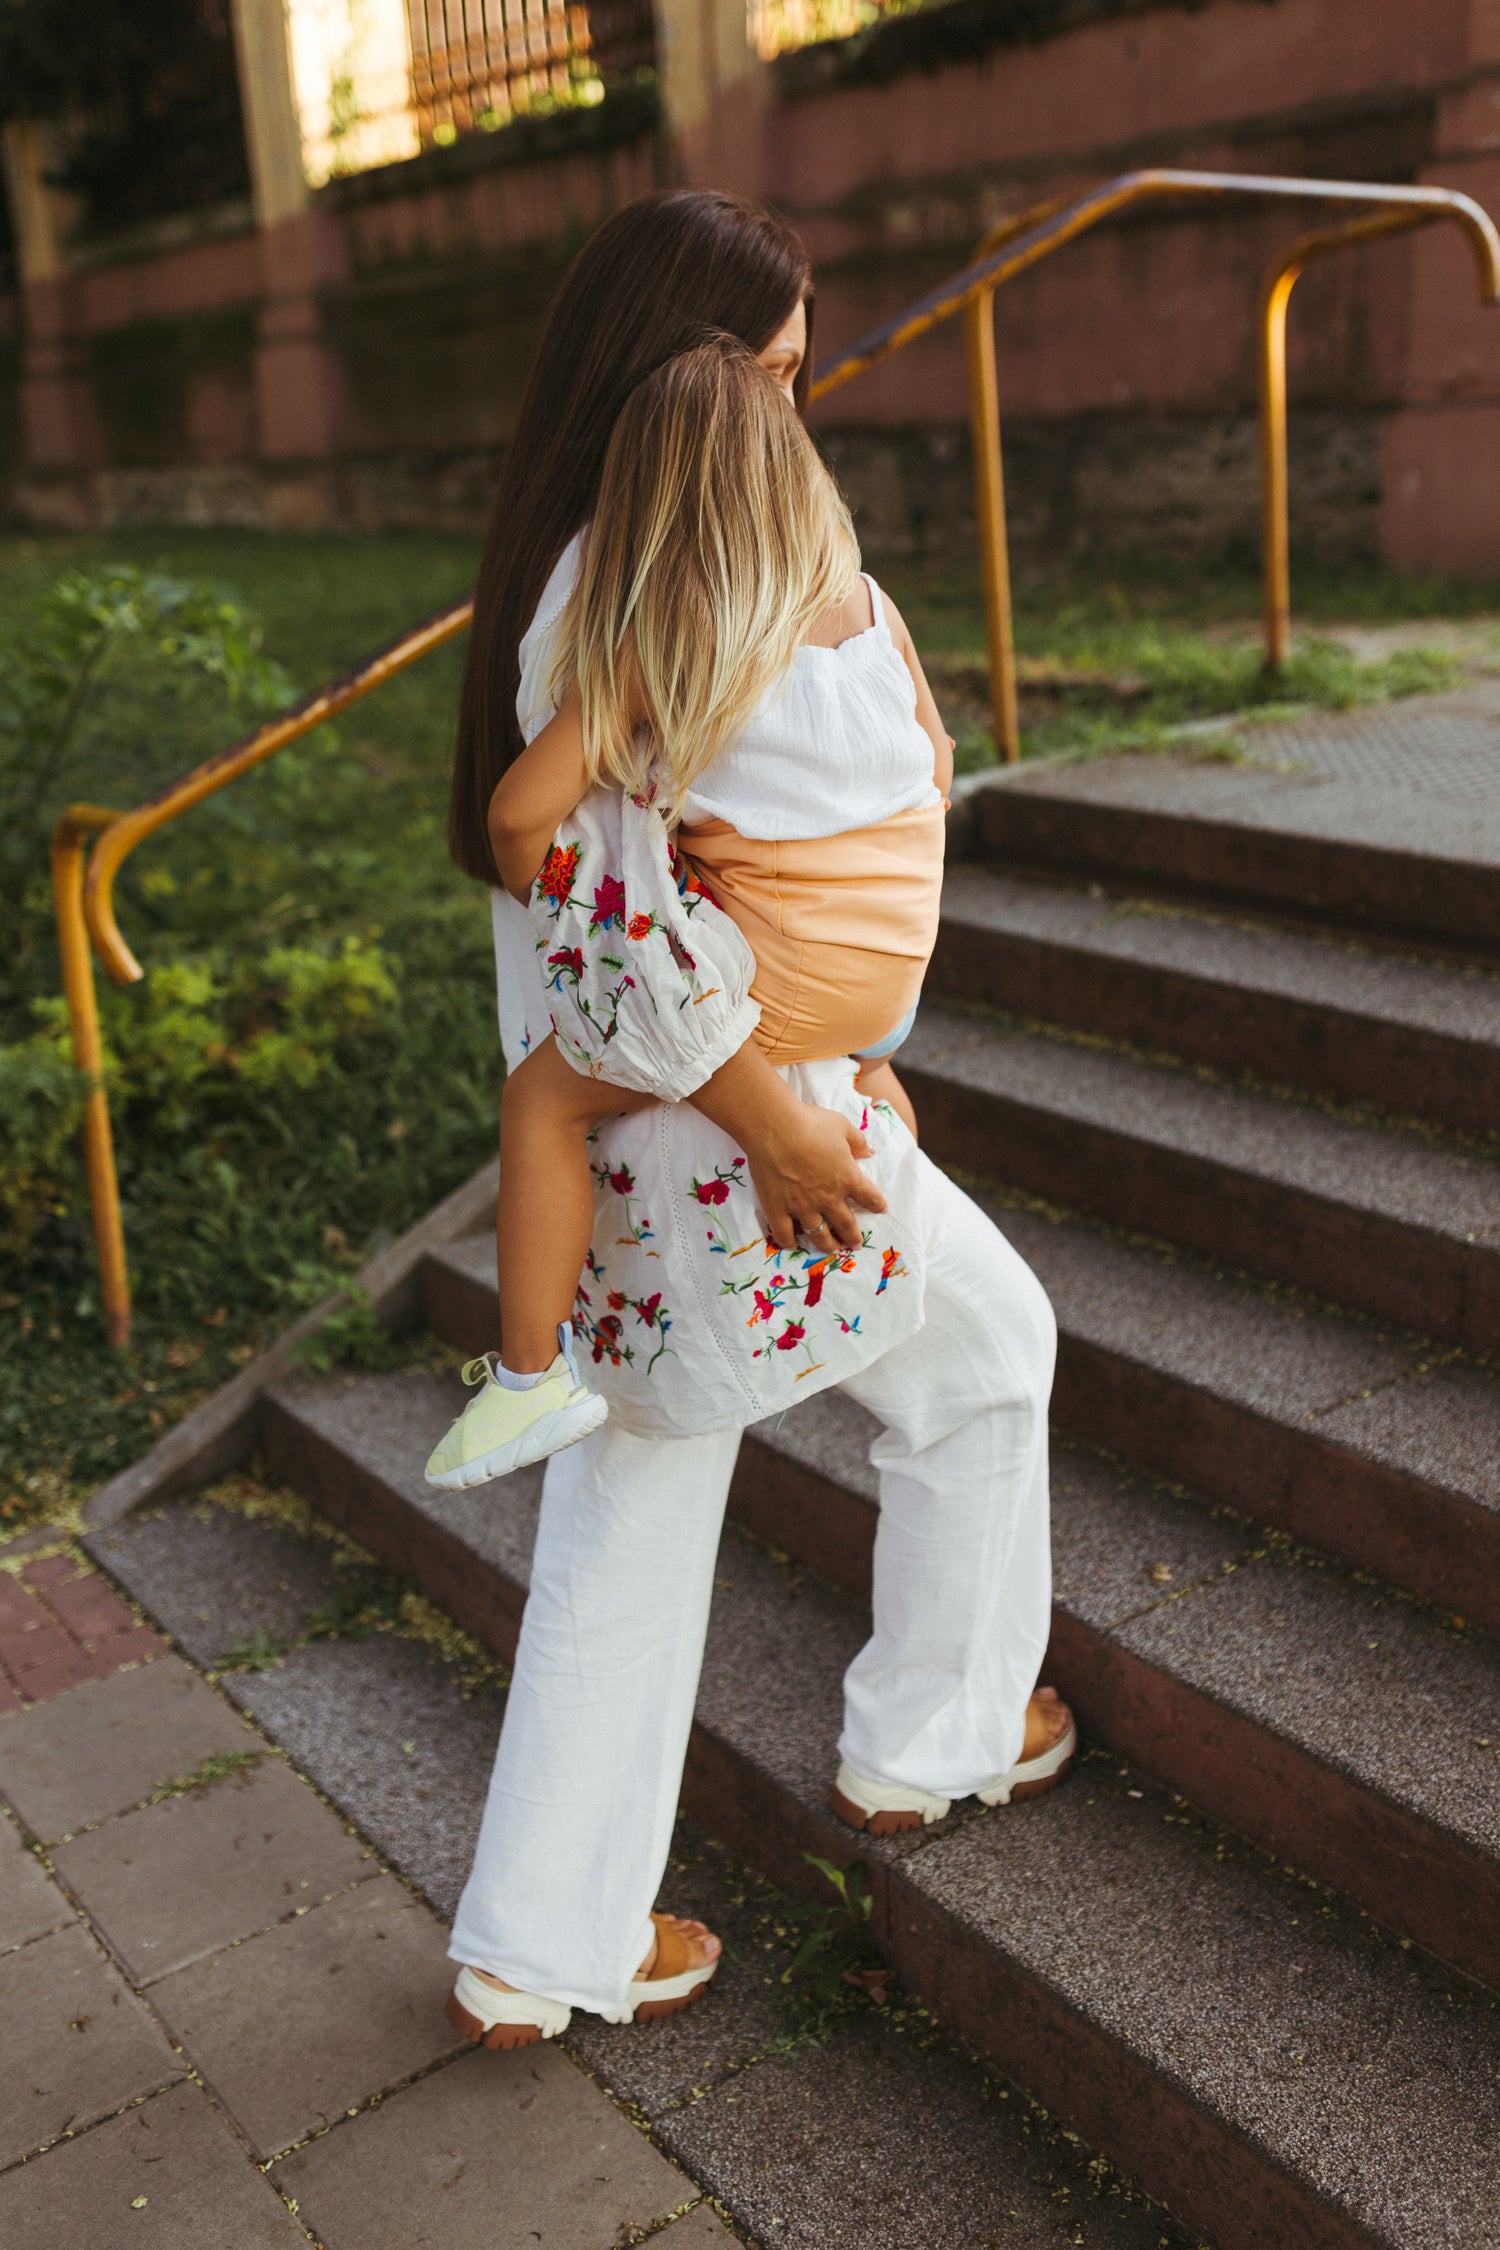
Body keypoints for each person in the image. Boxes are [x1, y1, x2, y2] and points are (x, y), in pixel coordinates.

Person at [442, 187, 1075, 2054]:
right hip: (737, 1133)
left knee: (669, 1492)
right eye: (771, 374)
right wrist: (782, 1121)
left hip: (695, 1124)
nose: (795, 417)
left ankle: (545, 1941)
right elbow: (626, 928)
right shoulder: (648, 587)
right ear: (679, 378)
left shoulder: (587, 562)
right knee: (970, 1364)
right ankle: (920, 1743)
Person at [424, 334, 950, 1492]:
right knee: (856, 1037)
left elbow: (519, 818)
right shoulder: (870, 605)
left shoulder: (666, 642)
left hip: (781, 974)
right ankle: (874, 1081)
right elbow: (940, 765)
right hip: (897, 960)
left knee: (543, 1102)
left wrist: (557, 902)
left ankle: (524, 1383)